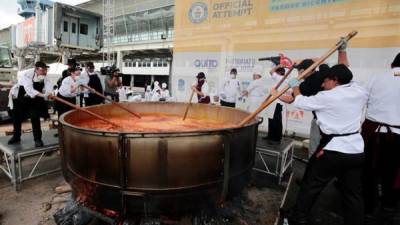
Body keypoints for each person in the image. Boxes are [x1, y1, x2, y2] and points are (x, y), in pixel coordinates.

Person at [286, 63, 368, 225]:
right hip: (356, 151)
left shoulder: (328, 96)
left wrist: (296, 86)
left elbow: (301, 101)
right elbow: (347, 68)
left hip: (334, 150)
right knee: (353, 194)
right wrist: (342, 51)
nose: (323, 85)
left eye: (325, 81)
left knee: (311, 185)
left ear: (335, 80)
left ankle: (298, 218)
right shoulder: (360, 91)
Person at [362, 52, 400, 220]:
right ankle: (388, 206)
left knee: (369, 170)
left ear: (392, 64)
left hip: (373, 132)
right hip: (397, 135)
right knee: (392, 174)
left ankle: (369, 206)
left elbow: (362, 99)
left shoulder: (378, 77)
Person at [8, 61, 52, 147]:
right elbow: (29, 90)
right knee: (16, 117)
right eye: (42, 70)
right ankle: (16, 136)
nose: (44, 72)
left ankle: (38, 139)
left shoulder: (45, 74)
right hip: (21, 96)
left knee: (35, 117)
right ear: (36, 69)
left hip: (34, 99)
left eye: (45, 70)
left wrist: (49, 92)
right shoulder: (27, 74)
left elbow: (48, 85)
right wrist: (43, 95)